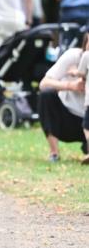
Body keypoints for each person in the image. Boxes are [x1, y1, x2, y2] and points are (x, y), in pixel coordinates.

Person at [38, 32, 88, 163]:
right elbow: (44, 83)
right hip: (67, 118)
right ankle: (54, 153)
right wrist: (70, 85)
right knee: (46, 95)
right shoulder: (72, 56)